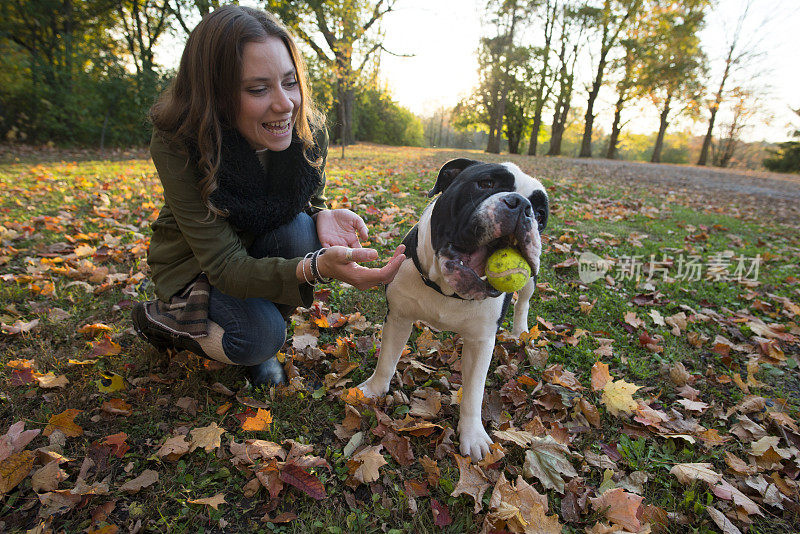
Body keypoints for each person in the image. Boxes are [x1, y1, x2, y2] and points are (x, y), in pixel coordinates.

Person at [131, 5, 405, 386]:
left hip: (255, 250)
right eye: (258, 89)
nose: (285, 104)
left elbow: (309, 198)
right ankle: (164, 319)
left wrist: (320, 214)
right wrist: (315, 268)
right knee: (257, 337)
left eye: (290, 82)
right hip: (195, 264)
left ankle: (258, 334)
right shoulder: (179, 143)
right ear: (215, 94)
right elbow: (225, 265)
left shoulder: (307, 130)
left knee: (301, 231)